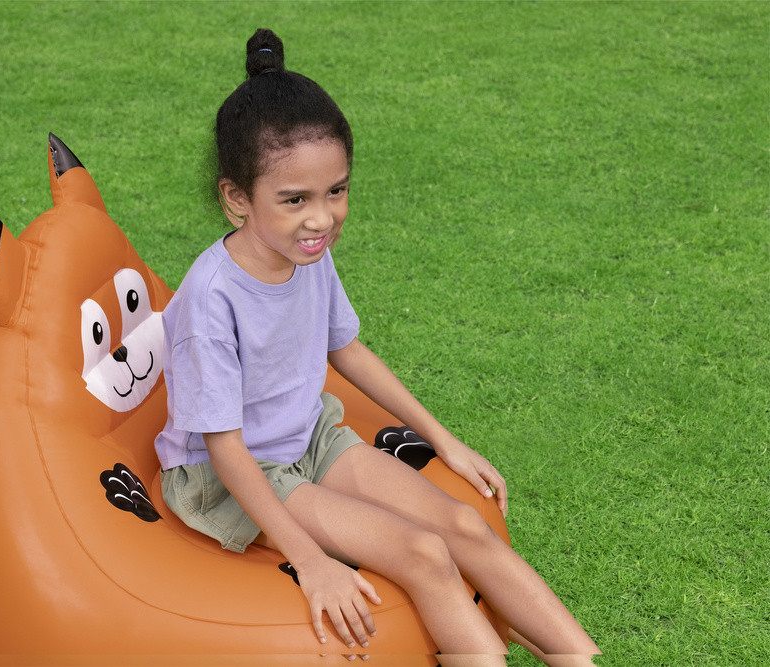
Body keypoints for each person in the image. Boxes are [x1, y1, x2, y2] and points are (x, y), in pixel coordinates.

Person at [154, 28, 600, 666]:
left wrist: (445, 440)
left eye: (336, 191)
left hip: (308, 435)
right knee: (423, 554)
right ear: (236, 199)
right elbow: (224, 446)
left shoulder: (305, 253)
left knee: (462, 525)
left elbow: (348, 350)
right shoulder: (211, 299)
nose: (322, 218)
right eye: (295, 199)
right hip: (231, 472)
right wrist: (311, 562)